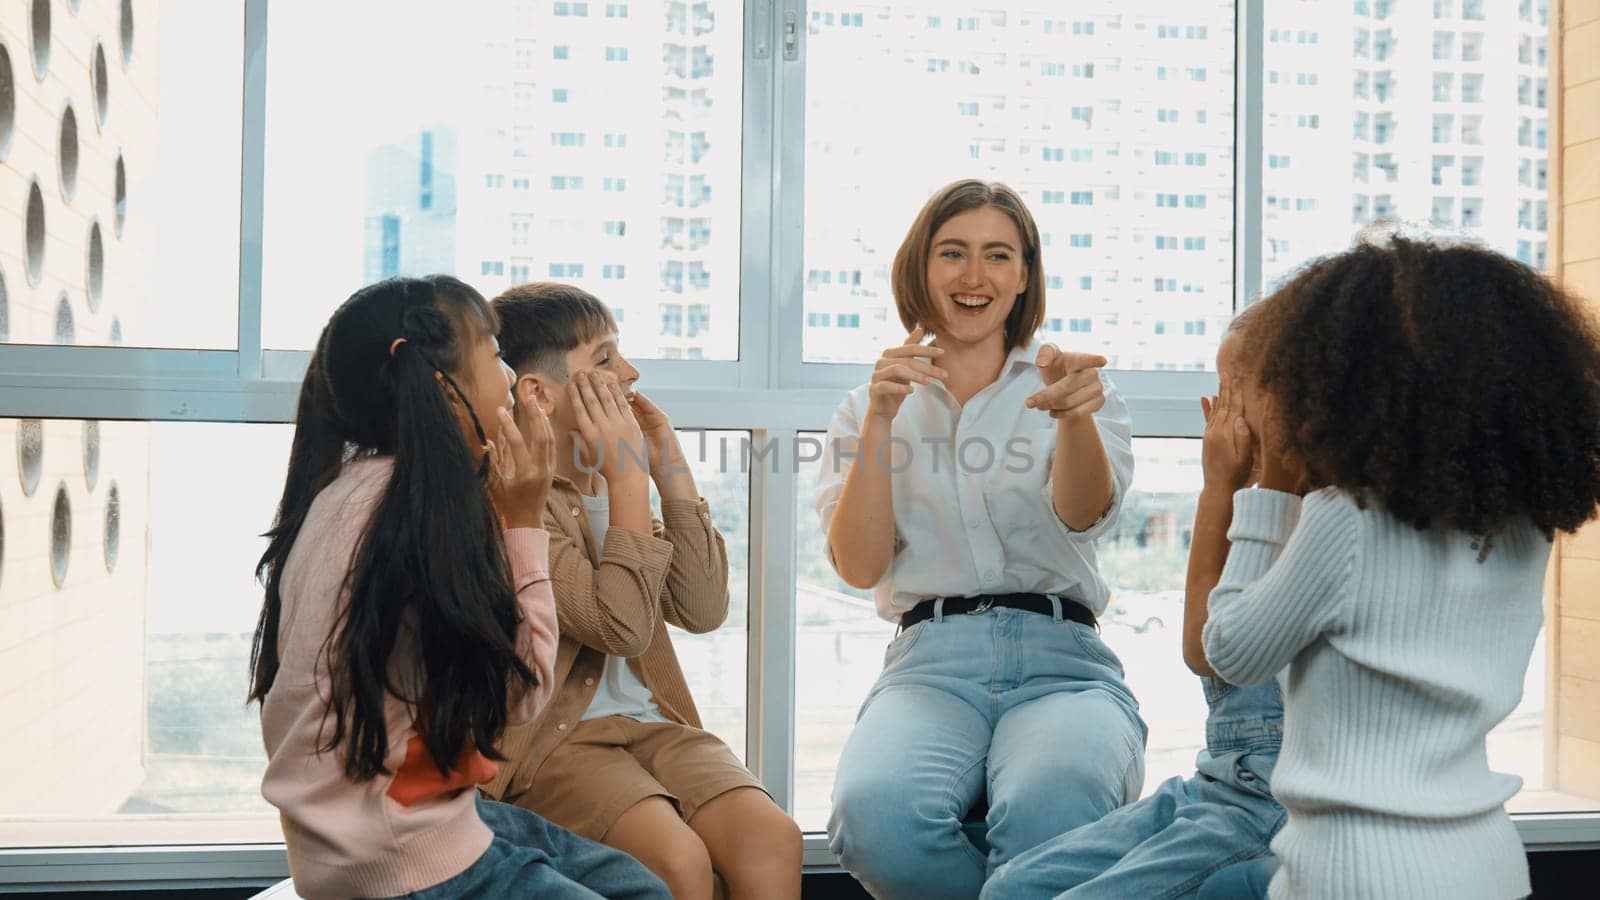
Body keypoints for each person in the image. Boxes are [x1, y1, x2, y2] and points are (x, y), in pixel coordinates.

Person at [1202, 237, 1600, 898]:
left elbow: (1232, 651)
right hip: (1490, 865)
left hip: (1357, 870)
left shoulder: (1346, 520)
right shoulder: (1525, 529)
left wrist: (1268, 489)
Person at [251, 275, 667, 899]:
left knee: (635, 884)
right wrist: (523, 519)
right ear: (445, 391)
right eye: (495, 355)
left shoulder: (348, 491)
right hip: (396, 851)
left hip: (359, 826)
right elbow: (517, 697)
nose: (505, 376)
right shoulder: (428, 513)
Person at [817, 179, 1146, 899]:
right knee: (873, 820)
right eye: (953, 254)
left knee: (1054, 805)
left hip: (1065, 660)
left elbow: (1084, 516)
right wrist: (879, 420)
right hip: (929, 664)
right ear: (920, 267)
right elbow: (860, 563)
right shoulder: (866, 406)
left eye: (998, 256)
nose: (974, 277)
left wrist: (1073, 421)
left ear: (1024, 274)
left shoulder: (1079, 389)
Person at [484, 282, 802, 900]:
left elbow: (702, 609)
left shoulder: (611, 485)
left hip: (655, 725)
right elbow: (619, 627)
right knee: (677, 862)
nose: (629, 373)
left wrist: (670, 472)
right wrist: (629, 478)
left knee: (773, 837)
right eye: (603, 360)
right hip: (557, 745)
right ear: (538, 394)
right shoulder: (516, 502)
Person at [980, 305, 1286, 899]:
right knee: (1009, 891)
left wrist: (1219, 485)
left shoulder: (1298, 516)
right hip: (1219, 780)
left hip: (1268, 797)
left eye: (1231, 393)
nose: (1217, 411)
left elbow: (1203, 650)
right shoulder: (1259, 504)